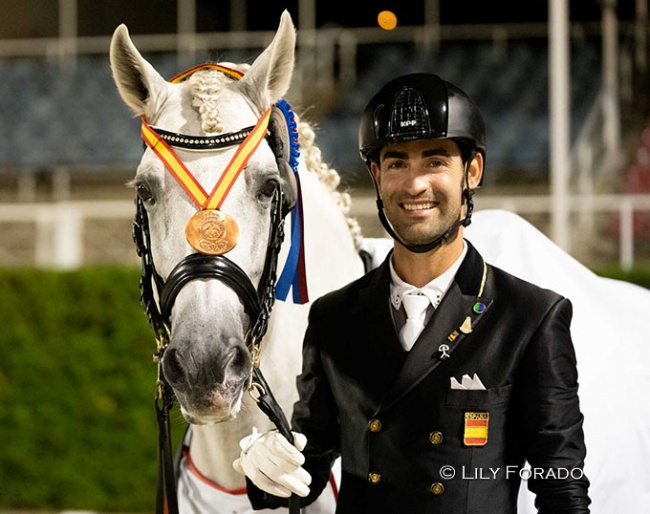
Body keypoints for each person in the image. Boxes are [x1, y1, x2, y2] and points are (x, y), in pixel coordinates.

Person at [233, 73, 591, 513]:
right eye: (398, 162)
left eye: (435, 162)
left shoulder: (531, 316)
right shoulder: (334, 317)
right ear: (376, 175)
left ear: (471, 172)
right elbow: (305, 474)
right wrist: (268, 465)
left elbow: (561, 485)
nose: (414, 184)